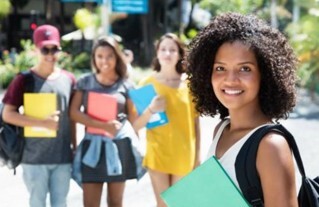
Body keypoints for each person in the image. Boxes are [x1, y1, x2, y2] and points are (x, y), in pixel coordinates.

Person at [186, 12, 299, 207]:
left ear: (265, 74)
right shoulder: (221, 129)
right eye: (220, 68)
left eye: (245, 68)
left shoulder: (271, 145)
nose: (230, 79)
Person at [2, 24, 76, 207]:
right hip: (34, 158)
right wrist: (43, 123)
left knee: (61, 203)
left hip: (62, 157)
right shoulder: (24, 80)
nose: (50, 55)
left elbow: (71, 118)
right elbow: (7, 114)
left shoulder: (69, 79)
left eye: (54, 49)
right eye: (45, 49)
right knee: (37, 203)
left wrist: (74, 147)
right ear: (36, 49)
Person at [70, 36, 144, 207]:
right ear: (94, 58)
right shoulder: (85, 82)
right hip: (92, 147)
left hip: (119, 148)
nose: (104, 61)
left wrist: (138, 147)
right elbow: (73, 113)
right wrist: (103, 126)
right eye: (100, 56)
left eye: (109, 56)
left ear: (116, 57)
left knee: (116, 203)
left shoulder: (126, 85)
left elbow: (133, 120)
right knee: (90, 204)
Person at [132, 33, 201, 207]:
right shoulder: (146, 83)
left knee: (178, 204)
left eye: (172, 50)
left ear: (179, 54)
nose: (167, 54)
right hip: (158, 153)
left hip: (184, 154)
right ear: (157, 53)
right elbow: (136, 125)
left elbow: (196, 124)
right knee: (162, 205)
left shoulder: (189, 86)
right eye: (163, 49)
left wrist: (197, 157)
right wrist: (151, 110)